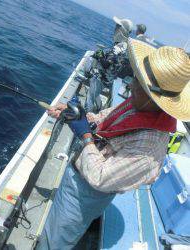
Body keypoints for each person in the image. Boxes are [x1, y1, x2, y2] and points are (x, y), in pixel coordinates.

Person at [36, 38, 190, 249]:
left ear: (154, 97)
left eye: (139, 83)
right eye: (137, 78)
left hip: (85, 194)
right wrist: (79, 116)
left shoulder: (150, 148)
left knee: (53, 241)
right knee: (53, 227)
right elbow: (105, 117)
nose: (130, 84)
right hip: (77, 175)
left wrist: (85, 137)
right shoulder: (140, 105)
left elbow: (100, 178)